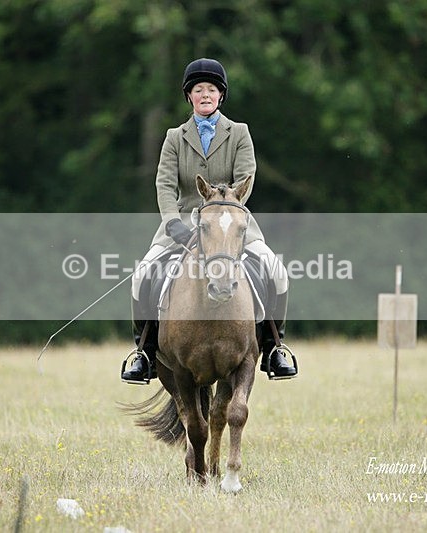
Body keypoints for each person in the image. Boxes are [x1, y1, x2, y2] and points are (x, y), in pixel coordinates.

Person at [121, 58, 297, 383]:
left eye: (211, 89)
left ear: (220, 95)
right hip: (181, 226)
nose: (205, 94)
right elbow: (164, 184)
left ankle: (273, 347)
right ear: (189, 96)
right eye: (199, 89)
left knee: (276, 270)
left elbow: (246, 177)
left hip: (231, 223)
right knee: (142, 273)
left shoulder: (239, 133)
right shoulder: (175, 137)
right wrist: (172, 222)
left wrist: (225, 213)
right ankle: (143, 353)